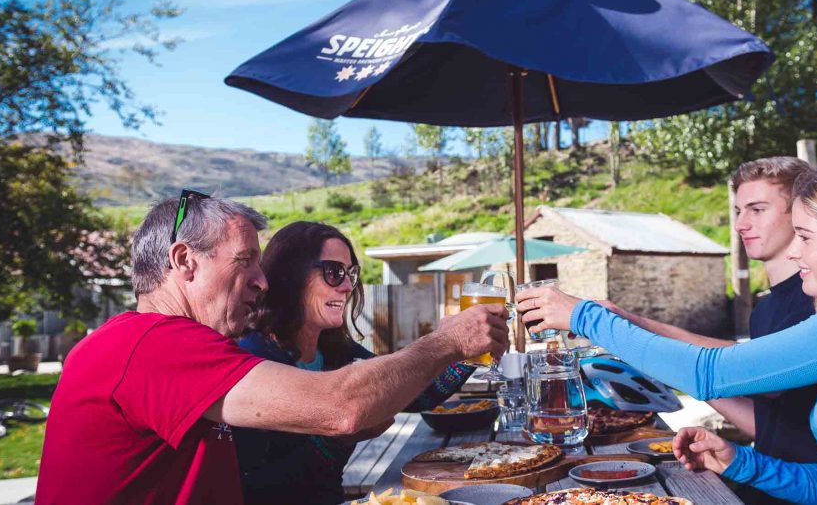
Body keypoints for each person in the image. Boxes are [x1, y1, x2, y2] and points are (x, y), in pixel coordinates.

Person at [518, 160, 817, 504]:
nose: (796, 254)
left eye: (806, 238)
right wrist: (742, 461)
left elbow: (709, 372)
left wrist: (584, 316)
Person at [37, 193, 509, 504]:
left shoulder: (170, 345)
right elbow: (341, 408)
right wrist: (447, 341)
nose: (262, 282)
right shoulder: (151, 344)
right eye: (245, 261)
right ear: (184, 261)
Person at [595, 157, 817, 505]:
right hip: (764, 480)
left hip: (812, 490)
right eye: (738, 210)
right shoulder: (765, 310)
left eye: (757, 210)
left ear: (801, 213)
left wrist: (631, 327)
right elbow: (769, 423)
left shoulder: (816, 302)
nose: (741, 224)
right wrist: (695, 381)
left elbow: (748, 369)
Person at [233, 221, 478, 504]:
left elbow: (418, 396)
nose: (348, 286)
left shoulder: (336, 350)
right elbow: (253, 490)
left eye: (350, 273)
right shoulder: (255, 360)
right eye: (334, 272)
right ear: (292, 275)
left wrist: (469, 352)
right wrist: (336, 438)